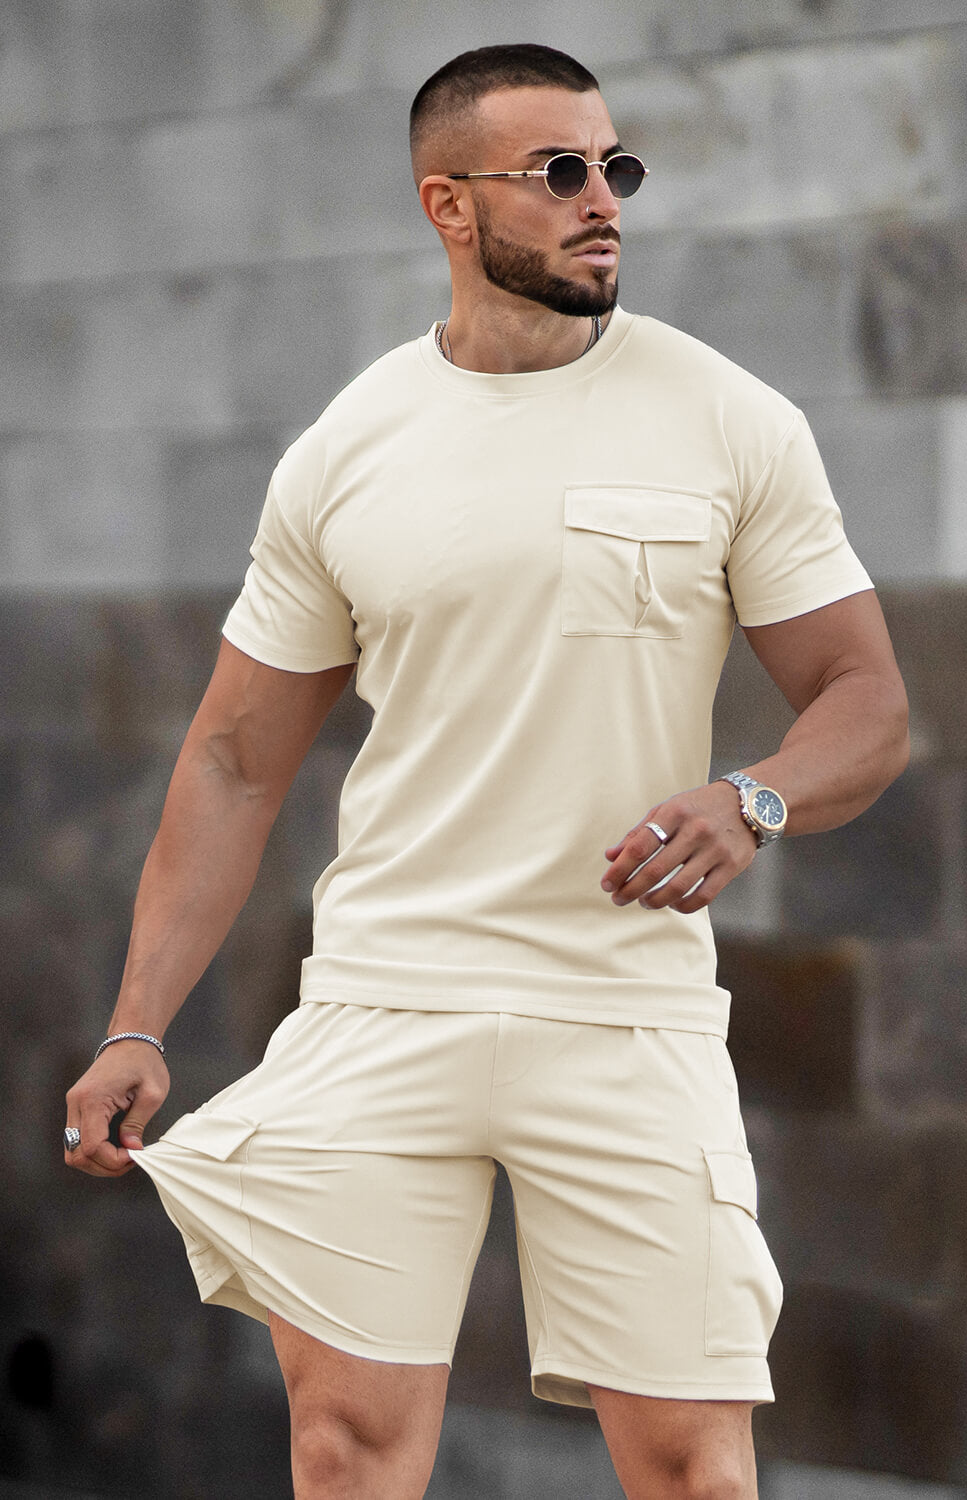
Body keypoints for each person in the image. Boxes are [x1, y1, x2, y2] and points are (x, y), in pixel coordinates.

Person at [64, 42, 909, 1500]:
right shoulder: (346, 449)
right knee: (345, 1450)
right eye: (560, 171)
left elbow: (867, 698)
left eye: (616, 167)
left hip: (625, 1012)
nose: (604, 200)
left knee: (696, 1468)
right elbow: (233, 761)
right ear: (447, 205)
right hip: (388, 999)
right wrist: (139, 1020)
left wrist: (753, 798)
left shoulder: (732, 419)